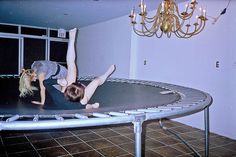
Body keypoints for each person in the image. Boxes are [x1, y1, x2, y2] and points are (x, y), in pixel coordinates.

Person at [19, 28, 115, 109]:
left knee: (71, 64)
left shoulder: (39, 72)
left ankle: (72, 39)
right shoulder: (82, 102)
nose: (35, 80)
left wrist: (58, 82)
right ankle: (106, 75)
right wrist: (92, 106)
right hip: (71, 92)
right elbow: (85, 106)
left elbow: (43, 85)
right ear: (82, 95)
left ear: (66, 90)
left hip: (59, 72)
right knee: (95, 84)